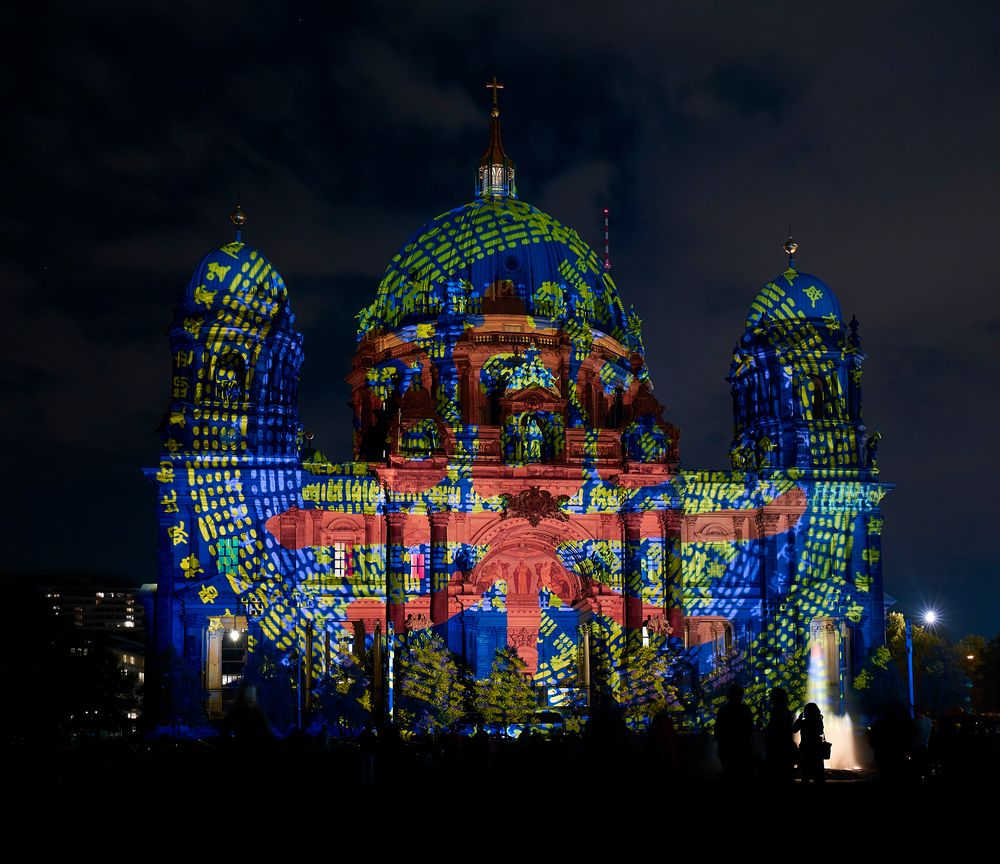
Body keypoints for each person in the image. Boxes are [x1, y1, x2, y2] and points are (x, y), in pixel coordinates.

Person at [715, 684, 755, 779]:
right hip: (742, 747)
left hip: (726, 747)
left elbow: (718, 730)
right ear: (741, 695)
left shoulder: (723, 710)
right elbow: (750, 728)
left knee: (729, 774)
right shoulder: (745, 710)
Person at [764, 687, 796, 784]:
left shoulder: (777, 712)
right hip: (785, 749)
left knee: (777, 777)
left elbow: (776, 730)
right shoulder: (786, 711)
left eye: (771, 697)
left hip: (777, 750)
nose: (770, 699)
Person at [793, 702, 826, 783]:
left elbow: (794, 730)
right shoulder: (818, 721)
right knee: (818, 775)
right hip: (816, 749)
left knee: (805, 775)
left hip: (805, 749)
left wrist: (799, 719)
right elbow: (820, 732)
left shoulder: (803, 722)